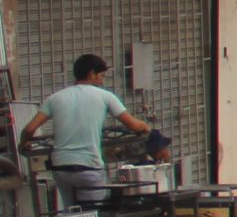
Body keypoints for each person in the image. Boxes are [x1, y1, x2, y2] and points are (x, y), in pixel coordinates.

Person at [23, 53, 152, 207]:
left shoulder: (55, 98)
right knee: (91, 215)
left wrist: (23, 144)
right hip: (88, 167)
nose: (102, 80)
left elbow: (30, 128)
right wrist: (145, 126)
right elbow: (133, 125)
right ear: (91, 74)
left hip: (61, 167)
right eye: (101, 75)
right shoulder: (105, 96)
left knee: (71, 215)